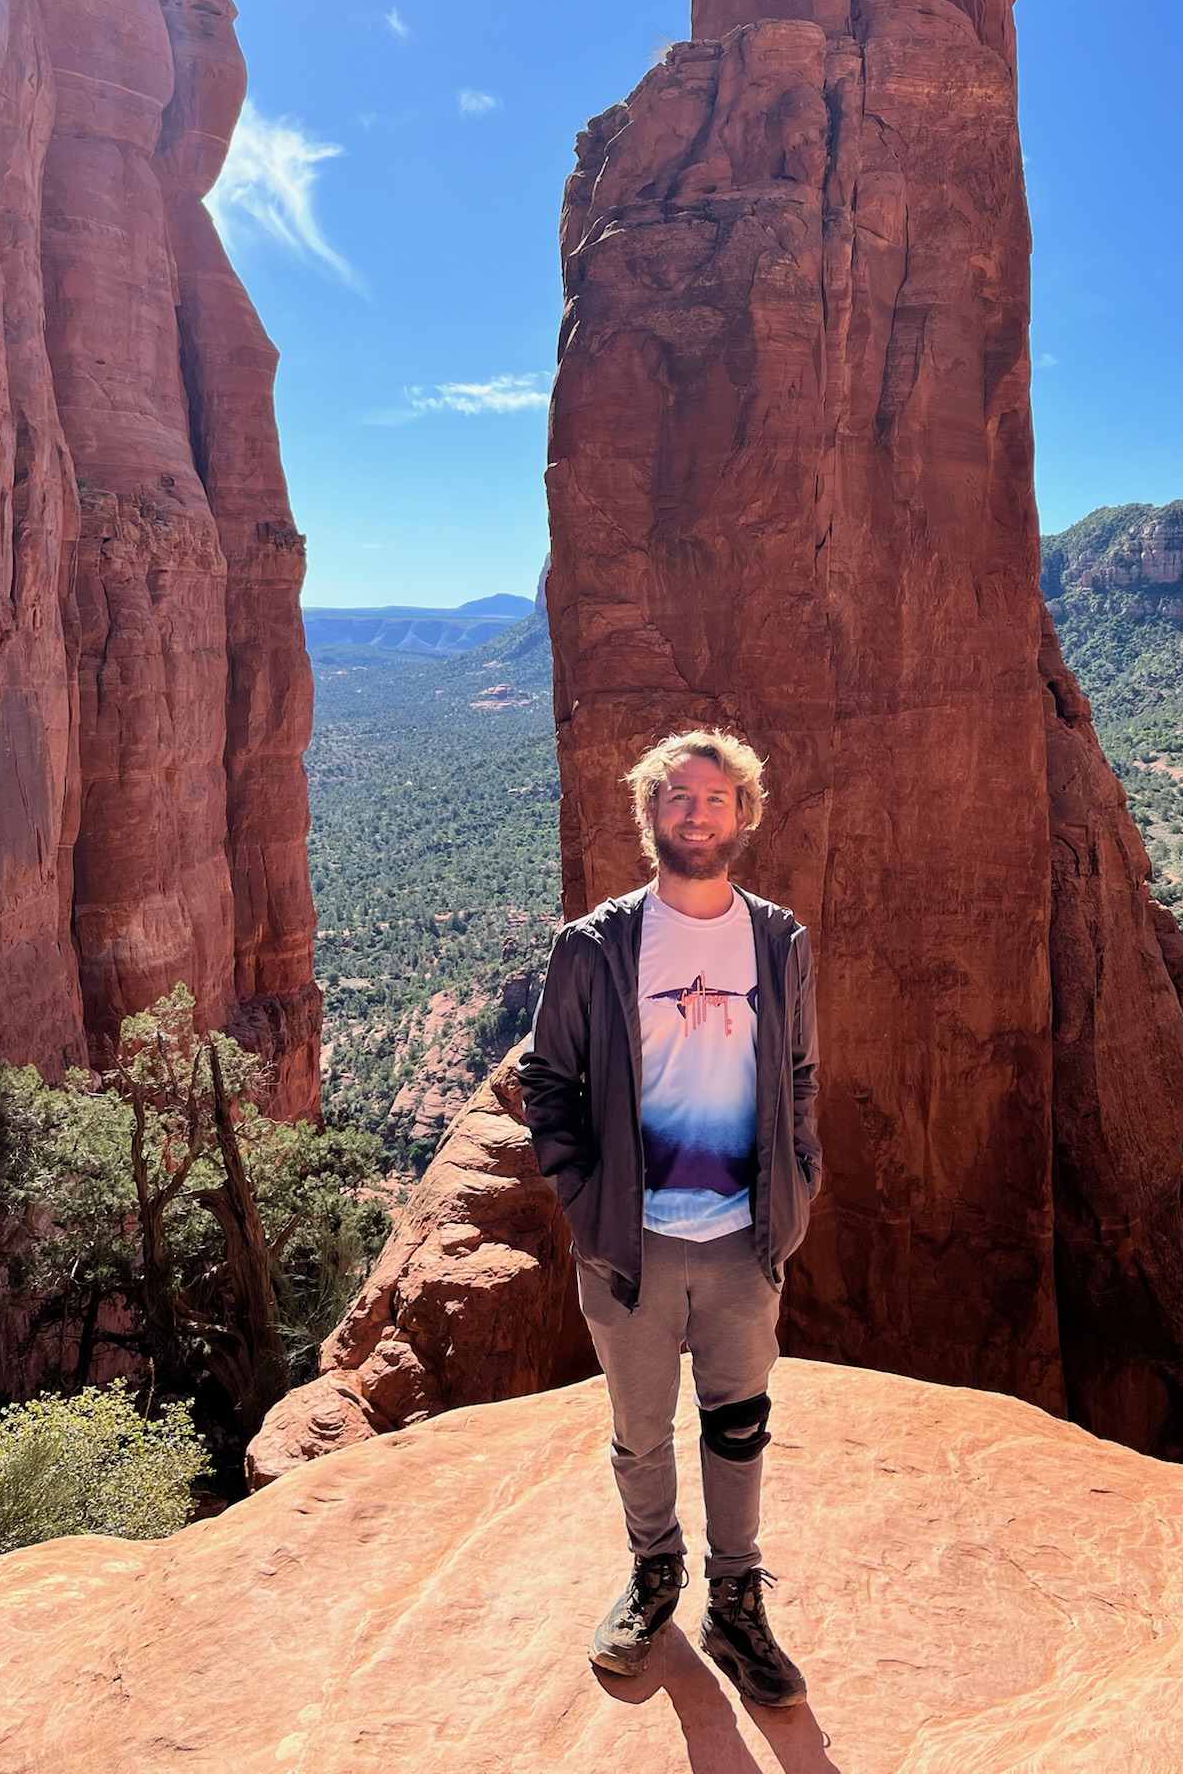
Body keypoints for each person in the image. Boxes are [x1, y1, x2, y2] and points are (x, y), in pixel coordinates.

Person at [519, 728, 821, 1708]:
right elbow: (548, 1080)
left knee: (739, 1422)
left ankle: (735, 1597)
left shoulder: (778, 942)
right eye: (678, 796)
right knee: (640, 1431)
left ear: (744, 813)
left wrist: (799, 1183)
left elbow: (800, 1076)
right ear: (650, 811)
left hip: (742, 1238)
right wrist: (584, 1199)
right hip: (632, 1245)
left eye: (715, 797)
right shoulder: (596, 945)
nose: (697, 813)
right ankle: (655, 1574)